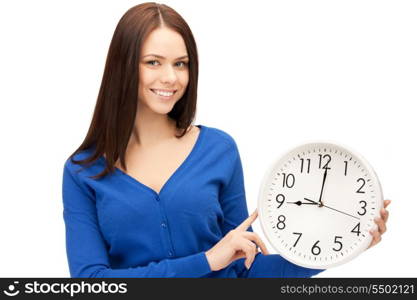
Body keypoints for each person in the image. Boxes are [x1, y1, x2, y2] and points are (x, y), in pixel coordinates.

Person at [62, 2, 390, 278]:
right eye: (153, 62)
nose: (171, 78)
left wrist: (342, 245)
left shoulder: (218, 150)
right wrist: (205, 262)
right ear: (123, 67)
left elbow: (243, 267)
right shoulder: (83, 171)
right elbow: (92, 282)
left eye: (181, 64)